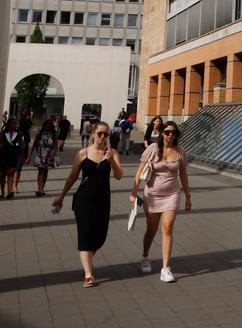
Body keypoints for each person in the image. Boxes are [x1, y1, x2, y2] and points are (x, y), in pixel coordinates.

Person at [53, 121, 124, 288]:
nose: (102, 137)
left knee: (100, 236)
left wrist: (111, 161)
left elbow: (119, 176)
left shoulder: (112, 153)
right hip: (83, 200)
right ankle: (88, 274)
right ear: (93, 134)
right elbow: (72, 177)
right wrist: (61, 196)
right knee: (85, 234)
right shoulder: (83, 153)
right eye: (99, 133)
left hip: (103, 200)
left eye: (106, 134)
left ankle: (88, 262)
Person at [130, 120, 190, 282]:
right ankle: (145, 257)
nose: (171, 135)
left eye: (174, 133)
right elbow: (139, 171)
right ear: (162, 133)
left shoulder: (180, 151)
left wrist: (188, 196)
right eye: (168, 132)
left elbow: (183, 174)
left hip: (172, 194)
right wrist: (134, 193)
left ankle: (166, 268)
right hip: (152, 195)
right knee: (151, 229)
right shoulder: (153, 149)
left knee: (168, 227)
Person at [0, 118, 25, 200]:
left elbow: (22, 146)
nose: (14, 125)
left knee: (11, 172)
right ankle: (2, 192)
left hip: (13, 155)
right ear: (9, 124)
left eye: (15, 123)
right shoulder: (3, 133)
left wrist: (22, 156)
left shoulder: (18, 134)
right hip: (3, 155)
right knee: (2, 174)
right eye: (13, 123)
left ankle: (9, 192)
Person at [31, 119, 58, 196]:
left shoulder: (53, 134)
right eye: (47, 125)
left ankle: (42, 188)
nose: (48, 126)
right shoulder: (40, 134)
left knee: (45, 172)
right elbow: (33, 146)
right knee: (40, 172)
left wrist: (54, 154)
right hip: (40, 154)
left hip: (49, 156)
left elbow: (56, 146)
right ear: (44, 126)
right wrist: (29, 157)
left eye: (50, 125)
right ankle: (39, 190)